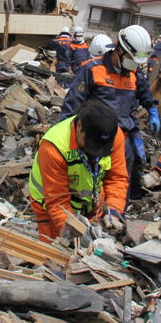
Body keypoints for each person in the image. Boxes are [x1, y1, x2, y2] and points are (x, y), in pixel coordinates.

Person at [61, 25, 159, 199]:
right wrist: (66, 141)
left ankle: (117, 215)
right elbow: (72, 105)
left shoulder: (134, 73)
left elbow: (145, 94)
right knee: (94, 186)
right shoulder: (93, 70)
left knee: (121, 184)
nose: (135, 63)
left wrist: (152, 110)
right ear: (119, 50)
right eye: (132, 57)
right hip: (96, 141)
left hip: (124, 140)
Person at [28, 102, 128, 240]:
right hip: (51, 208)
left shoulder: (113, 135)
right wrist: (76, 233)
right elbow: (57, 202)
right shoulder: (54, 147)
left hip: (90, 204)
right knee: (55, 254)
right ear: (79, 126)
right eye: (91, 144)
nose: (94, 151)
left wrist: (113, 212)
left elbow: (117, 178)